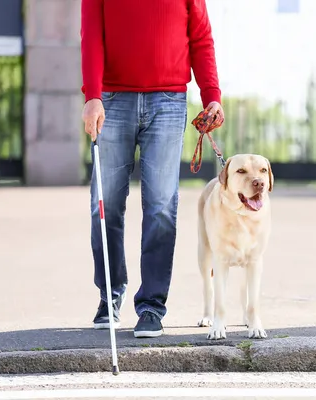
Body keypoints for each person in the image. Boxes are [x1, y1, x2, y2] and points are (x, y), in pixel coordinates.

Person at [80, 0, 224, 338]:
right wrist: (92, 95)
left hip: (169, 101)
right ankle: (110, 296)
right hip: (112, 101)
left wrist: (211, 94)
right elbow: (91, 36)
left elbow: (201, 37)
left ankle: (151, 307)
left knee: (161, 206)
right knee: (106, 204)